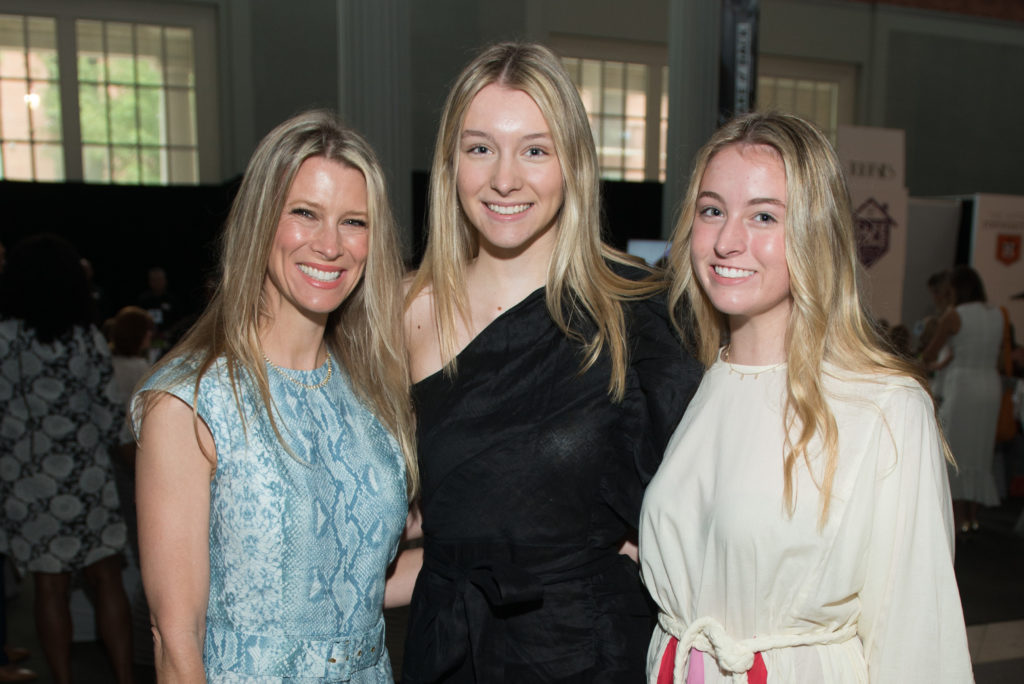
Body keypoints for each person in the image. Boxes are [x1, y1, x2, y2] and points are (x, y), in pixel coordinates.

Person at [400, 42, 702, 682]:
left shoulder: (634, 317)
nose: (504, 178)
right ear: (450, 162)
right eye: (480, 147)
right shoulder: (403, 313)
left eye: (535, 149)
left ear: (573, 164)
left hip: (584, 652)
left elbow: (701, 507)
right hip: (447, 648)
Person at [640, 112, 972, 683]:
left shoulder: (883, 406)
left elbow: (919, 634)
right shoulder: (693, 383)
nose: (727, 240)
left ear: (816, 231)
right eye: (712, 210)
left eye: (763, 215)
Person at [131, 110, 416, 682]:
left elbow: (362, 583)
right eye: (305, 213)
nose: (330, 244)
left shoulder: (373, 394)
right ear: (261, 221)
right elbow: (175, 640)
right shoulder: (190, 401)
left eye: (353, 221)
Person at [0, 234, 134, 684]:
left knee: (49, 588)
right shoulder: (86, 340)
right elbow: (110, 418)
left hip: (28, 483)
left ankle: (62, 679)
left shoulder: (4, 341)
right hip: (88, 477)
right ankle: (123, 676)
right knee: (107, 580)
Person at [922, 264, 1005, 533]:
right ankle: (973, 518)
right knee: (980, 453)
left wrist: (937, 361)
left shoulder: (954, 315)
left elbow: (930, 355)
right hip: (991, 386)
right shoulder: (998, 315)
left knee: (955, 451)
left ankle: (956, 522)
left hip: (964, 386)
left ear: (955, 289)